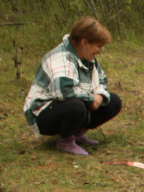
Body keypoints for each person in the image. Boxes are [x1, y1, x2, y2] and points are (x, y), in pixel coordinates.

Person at [23, 16, 122, 156]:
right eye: (99, 46)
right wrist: (90, 98)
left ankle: (76, 134)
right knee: (76, 106)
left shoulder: (87, 57)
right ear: (85, 42)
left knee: (113, 101)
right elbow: (64, 91)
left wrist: (99, 96)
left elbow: (101, 79)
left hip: (70, 104)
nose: (100, 51)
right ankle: (65, 141)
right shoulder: (61, 57)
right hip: (43, 115)